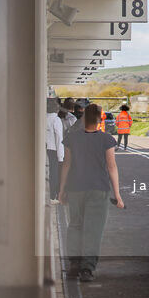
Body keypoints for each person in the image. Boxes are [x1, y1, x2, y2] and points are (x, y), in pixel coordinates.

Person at [59, 103, 124, 282]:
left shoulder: (71, 138)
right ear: (100, 118)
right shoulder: (107, 140)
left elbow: (67, 164)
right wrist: (117, 194)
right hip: (98, 188)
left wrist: (62, 189)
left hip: (75, 187)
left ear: (83, 118)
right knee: (93, 230)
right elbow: (112, 167)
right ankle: (87, 269)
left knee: (75, 226)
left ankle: (73, 265)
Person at [46, 98, 64, 203]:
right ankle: (52, 196)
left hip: (44, 148)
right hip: (53, 150)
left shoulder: (42, 118)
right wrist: (60, 156)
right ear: (56, 109)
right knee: (54, 173)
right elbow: (59, 138)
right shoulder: (56, 120)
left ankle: (49, 195)